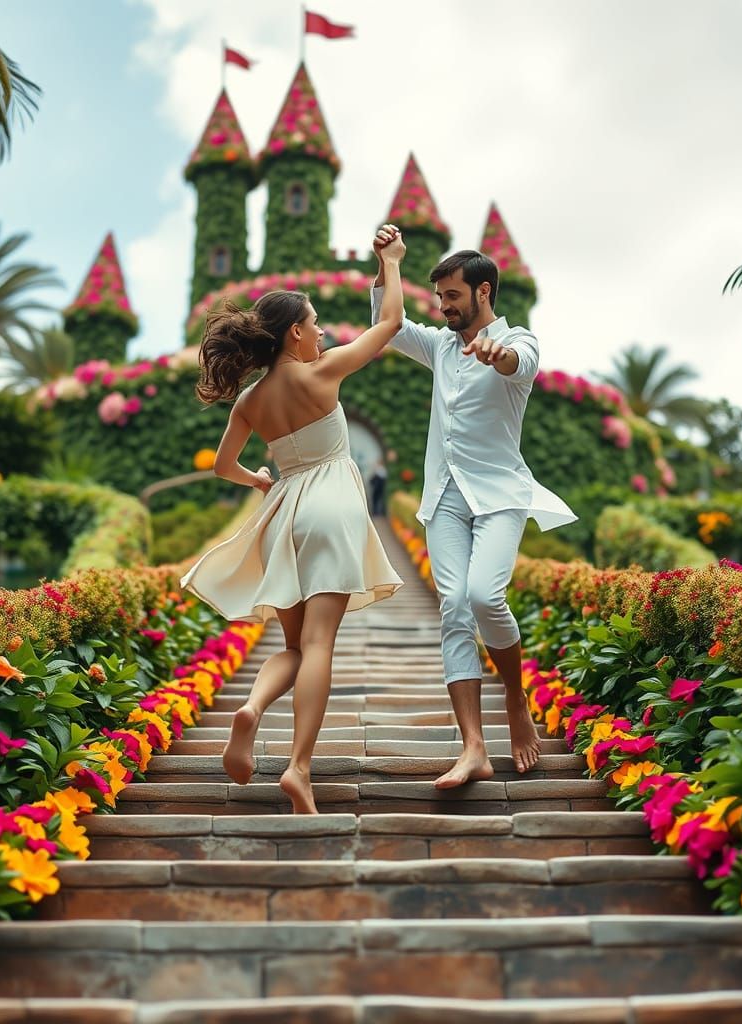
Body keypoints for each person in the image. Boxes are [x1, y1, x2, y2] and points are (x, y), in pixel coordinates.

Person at [180, 229, 408, 814]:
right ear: (295, 333)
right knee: (320, 643)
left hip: (285, 515)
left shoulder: (250, 400)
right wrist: (391, 263)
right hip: (332, 505)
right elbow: (390, 325)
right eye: (316, 322)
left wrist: (260, 480)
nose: (324, 331)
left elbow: (220, 465)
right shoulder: (321, 373)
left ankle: (252, 710)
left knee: (291, 645)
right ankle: (299, 768)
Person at [370, 226, 577, 789]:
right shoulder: (439, 344)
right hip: (444, 498)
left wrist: (498, 354)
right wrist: (390, 263)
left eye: (453, 297)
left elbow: (520, 365)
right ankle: (473, 748)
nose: (443, 308)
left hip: (501, 495)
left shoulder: (520, 340)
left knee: (486, 596)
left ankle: (515, 698)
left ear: (483, 292)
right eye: (439, 298)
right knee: (454, 608)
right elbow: (387, 327)